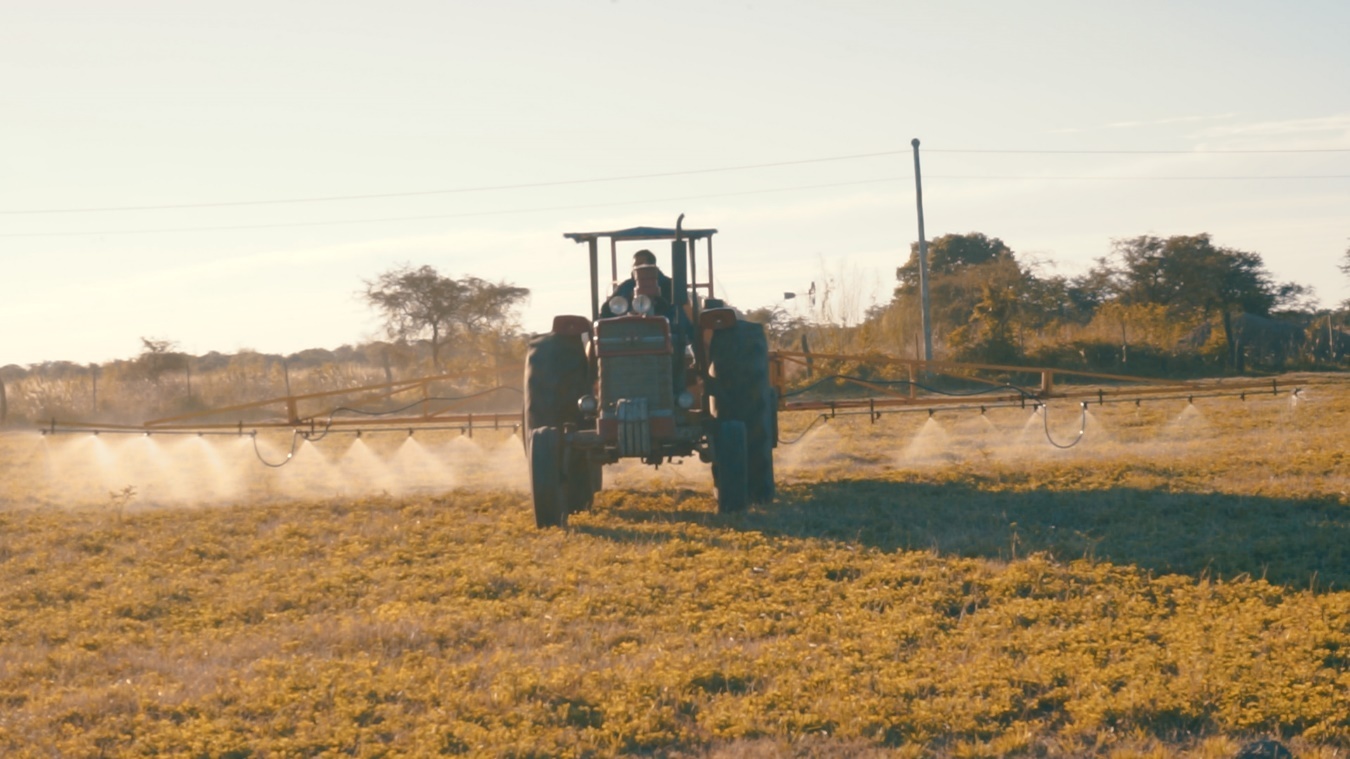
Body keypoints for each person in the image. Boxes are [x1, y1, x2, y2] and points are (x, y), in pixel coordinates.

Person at [601, 249, 674, 316]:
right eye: (635, 266)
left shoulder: (670, 286)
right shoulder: (625, 287)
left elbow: (677, 313)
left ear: (652, 266)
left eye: (640, 265)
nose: (636, 269)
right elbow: (606, 310)